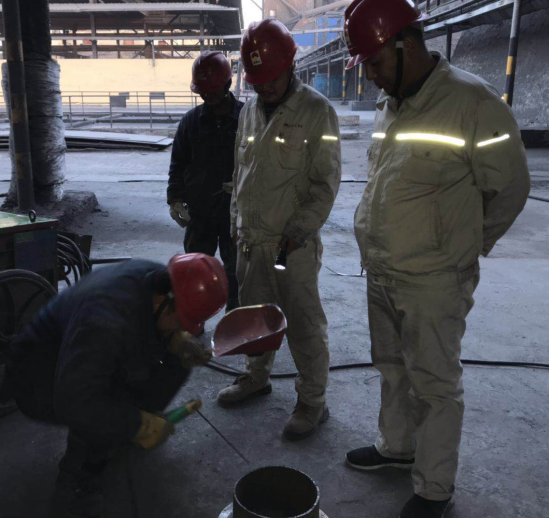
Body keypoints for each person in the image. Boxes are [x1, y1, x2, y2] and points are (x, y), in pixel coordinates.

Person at [342, 0, 530, 516]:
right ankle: (397, 448)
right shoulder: (392, 104)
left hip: (434, 279)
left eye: (375, 62)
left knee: (434, 384)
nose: (371, 76)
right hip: (383, 269)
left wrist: (465, 245)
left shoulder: (473, 102)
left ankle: (434, 488)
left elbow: (511, 188)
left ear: (406, 45)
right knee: (392, 368)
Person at [5, 254, 228, 518]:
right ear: (162, 301)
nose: (181, 328)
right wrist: (135, 424)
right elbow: (76, 400)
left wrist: (177, 340)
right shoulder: (105, 321)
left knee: (178, 360)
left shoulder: (160, 281)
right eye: (180, 321)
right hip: (37, 377)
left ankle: (127, 427)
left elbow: (150, 326)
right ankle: (75, 485)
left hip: (75, 352)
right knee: (101, 409)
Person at [217, 19, 342, 441]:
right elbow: (240, 173)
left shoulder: (316, 112)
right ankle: (256, 377)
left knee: (303, 325)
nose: (265, 87)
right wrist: (236, 222)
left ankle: (312, 401)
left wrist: (300, 229)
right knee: (254, 318)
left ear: (291, 66)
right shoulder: (249, 111)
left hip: (291, 246)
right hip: (250, 241)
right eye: (258, 81)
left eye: (272, 78)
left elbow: (326, 183)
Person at [168, 51, 244, 311]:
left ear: (228, 84)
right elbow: (178, 163)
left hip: (237, 214)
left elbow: (262, 163)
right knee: (195, 274)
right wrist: (175, 200)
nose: (207, 97)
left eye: (212, 91)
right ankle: (193, 323)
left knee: (237, 275)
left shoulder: (247, 119)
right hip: (200, 214)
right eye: (203, 92)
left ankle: (236, 321)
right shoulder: (190, 122)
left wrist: (245, 186)